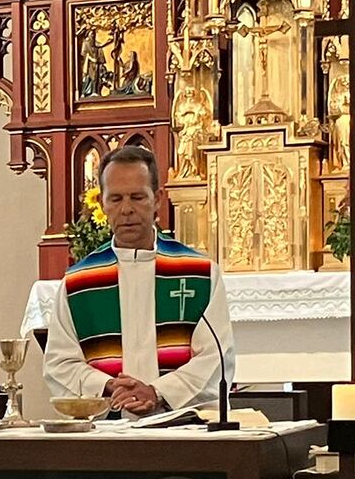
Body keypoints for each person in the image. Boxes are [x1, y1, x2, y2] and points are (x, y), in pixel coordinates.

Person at [45, 144, 235, 415]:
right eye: (115, 199)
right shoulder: (79, 283)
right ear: (102, 204)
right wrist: (108, 386)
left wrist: (158, 392)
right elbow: (59, 363)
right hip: (107, 428)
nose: (126, 209)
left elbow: (216, 357)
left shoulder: (199, 273)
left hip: (182, 425)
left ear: (157, 199)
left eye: (137, 197)